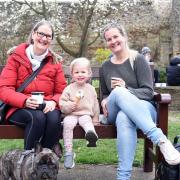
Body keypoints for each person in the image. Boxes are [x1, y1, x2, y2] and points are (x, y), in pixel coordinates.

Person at [99, 22, 180, 180]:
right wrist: (104, 100)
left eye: (116, 36)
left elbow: (148, 92)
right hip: (113, 110)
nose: (113, 41)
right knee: (119, 95)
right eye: (109, 39)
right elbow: (105, 93)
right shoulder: (106, 66)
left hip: (144, 108)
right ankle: (160, 139)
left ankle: (123, 176)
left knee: (124, 116)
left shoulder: (138, 59)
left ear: (124, 37)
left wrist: (126, 89)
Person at [0, 20, 67, 150]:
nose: (44, 38)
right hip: (18, 107)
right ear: (33, 35)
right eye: (40, 34)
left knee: (54, 119)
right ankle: (29, 163)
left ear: (51, 40)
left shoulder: (54, 62)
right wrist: (24, 101)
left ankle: (45, 164)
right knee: (37, 117)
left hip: (46, 105)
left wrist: (53, 102)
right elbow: (4, 89)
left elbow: (62, 91)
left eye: (48, 36)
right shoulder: (16, 57)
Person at [59, 57, 99, 169]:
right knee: (67, 124)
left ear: (89, 73)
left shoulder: (91, 89)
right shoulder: (69, 88)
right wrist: (68, 106)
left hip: (85, 114)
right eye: (76, 72)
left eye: (83, 72)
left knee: (86, 121)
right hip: (71, 114)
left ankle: (91, 136)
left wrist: (95, 118)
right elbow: (62, 104)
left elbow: (95, 104)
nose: (80, 74)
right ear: (72, 74)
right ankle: (68, 153)